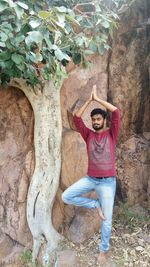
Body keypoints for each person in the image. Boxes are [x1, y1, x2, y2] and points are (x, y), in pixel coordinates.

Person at [62, 86, 120, 265]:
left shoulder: (112, 134)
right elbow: (76, 118)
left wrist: (98, 100)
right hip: (90, 179)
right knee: (66, 196)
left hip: (108, 183)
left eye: (98, 118)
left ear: (104, 120)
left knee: (107, 220)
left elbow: (116, 112)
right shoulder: (88, 135)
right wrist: (88, 101)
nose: (95, 121)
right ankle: (95, 204)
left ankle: (103, 251)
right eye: (93, 119)